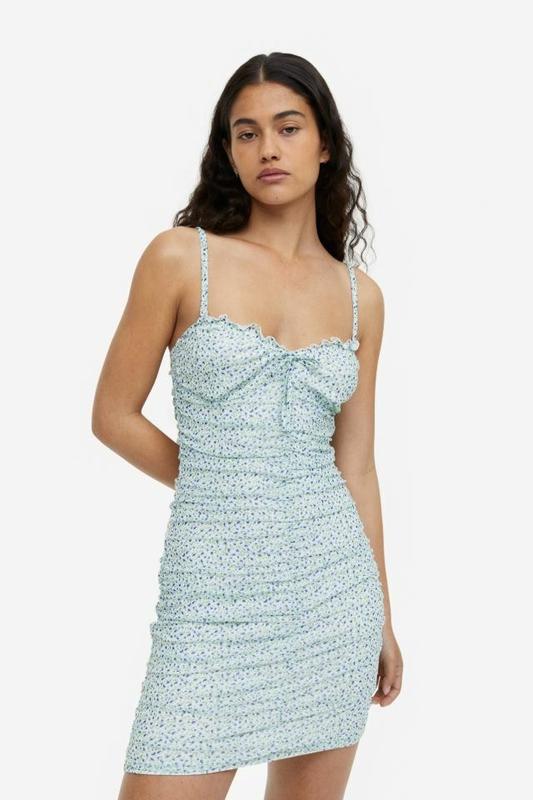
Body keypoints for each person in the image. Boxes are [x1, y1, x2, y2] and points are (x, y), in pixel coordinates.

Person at [92, 52, 403, 800]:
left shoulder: (360, 298)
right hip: (212, 599)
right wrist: (224, 481)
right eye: (246, 132)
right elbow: (112, 415)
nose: (268, 148)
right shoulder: (180, 259)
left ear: (324, 144)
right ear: (228, 152)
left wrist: (384, 620)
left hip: (333, 598)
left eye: (288, 128)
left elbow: (356, 467)